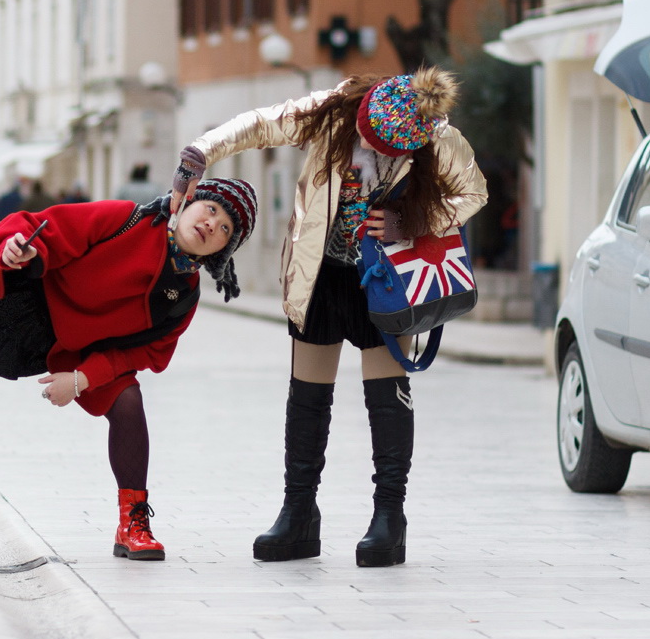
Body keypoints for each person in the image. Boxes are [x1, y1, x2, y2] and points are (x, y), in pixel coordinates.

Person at [170, 68, 486, 568]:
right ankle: (299, 513)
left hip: (385, 284)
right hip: (318, 275)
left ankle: (389, 517)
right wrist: (201, 151)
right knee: (307, 398)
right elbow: (261, 125)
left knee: (386, 399)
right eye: (365, 131)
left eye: (382, 146)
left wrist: (414, 221)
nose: (367, 143)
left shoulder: (439, 139)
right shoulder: (332, 112)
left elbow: (474, 193)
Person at [0, 178, 259, 562]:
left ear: (224, 249)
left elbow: (140, 355)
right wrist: (21, 251)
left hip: (78, 348)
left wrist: (83, 380)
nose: (211, 223)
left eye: (225, 228)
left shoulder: (183, 297)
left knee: (129, 402)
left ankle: (132, 524)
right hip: (20, 303)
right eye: (210, 208)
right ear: (187, 202)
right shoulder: (127, 218)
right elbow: (45, 227)